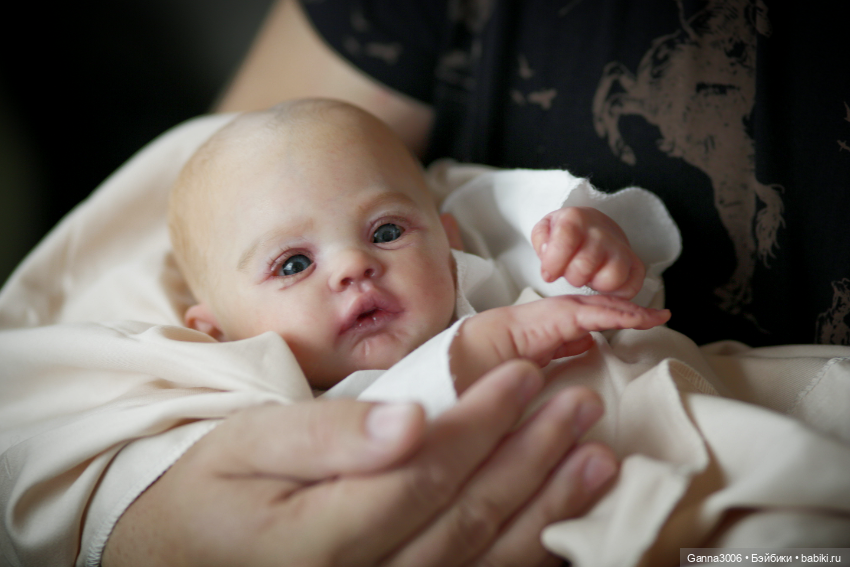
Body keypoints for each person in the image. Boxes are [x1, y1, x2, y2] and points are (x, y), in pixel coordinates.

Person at [167, 98, 671, 395]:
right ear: (220, 336)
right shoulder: (272, 412)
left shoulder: (493, 280)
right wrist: (488, 346)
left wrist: (592, 254)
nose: (353, 265)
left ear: (449, 242)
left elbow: (599, 309)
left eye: (386, 233)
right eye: (293, 263)